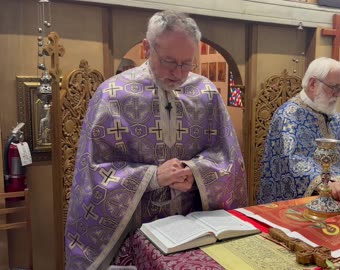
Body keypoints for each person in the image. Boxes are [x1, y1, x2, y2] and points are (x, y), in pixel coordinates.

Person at [65, 10, 247, 269]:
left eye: (187, 63)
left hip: (192, 229)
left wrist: (194, 172)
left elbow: (227, 158)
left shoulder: (206, 93)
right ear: (146, 48)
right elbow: (93, 175)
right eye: (169, 61)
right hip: (131, 234)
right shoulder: (113, 96)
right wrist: (153, 177)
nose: (178, 73)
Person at [256, 57, 340, 204]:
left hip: (338, 193)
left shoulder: (331, 114)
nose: (337, 95)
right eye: (334, 88)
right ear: (313, 84)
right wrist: (325, 183)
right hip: (296, 200)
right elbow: (291, 161)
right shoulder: (288, 116)